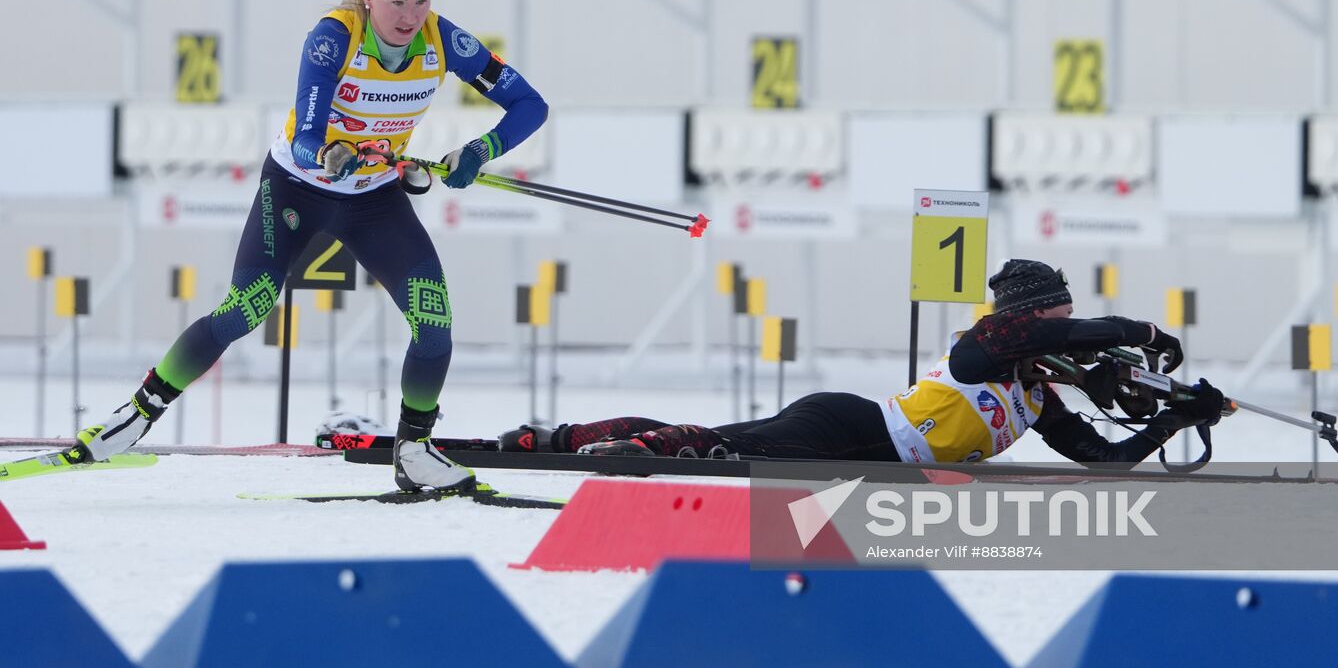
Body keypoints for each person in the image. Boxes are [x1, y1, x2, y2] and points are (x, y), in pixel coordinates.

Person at [75, 0, 548, 492]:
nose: (410, 16)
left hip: (373, 199)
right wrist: (328, 152)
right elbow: (305, 134)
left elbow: (530, 104)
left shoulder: (444, 40)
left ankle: (415, 449)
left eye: (421, 0)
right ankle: (138, 412)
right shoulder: (333, 37)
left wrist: (480, 150)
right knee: (245, 309)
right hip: (297, 189)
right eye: (397, 2)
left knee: (434, 322)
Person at [499, 259, 1226, 466]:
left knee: (727, 439)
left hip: (863, 446)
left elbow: (1103, 457)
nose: (1070, 338)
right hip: (848, 427)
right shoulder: (983, 348)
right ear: (1028, 320)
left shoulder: (1039, 401)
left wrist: (1176, 418)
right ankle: (591, 445)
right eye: (1057, 323)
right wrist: (1140, 328)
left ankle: (562, 438)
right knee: (723, 446)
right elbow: (1033, 337)